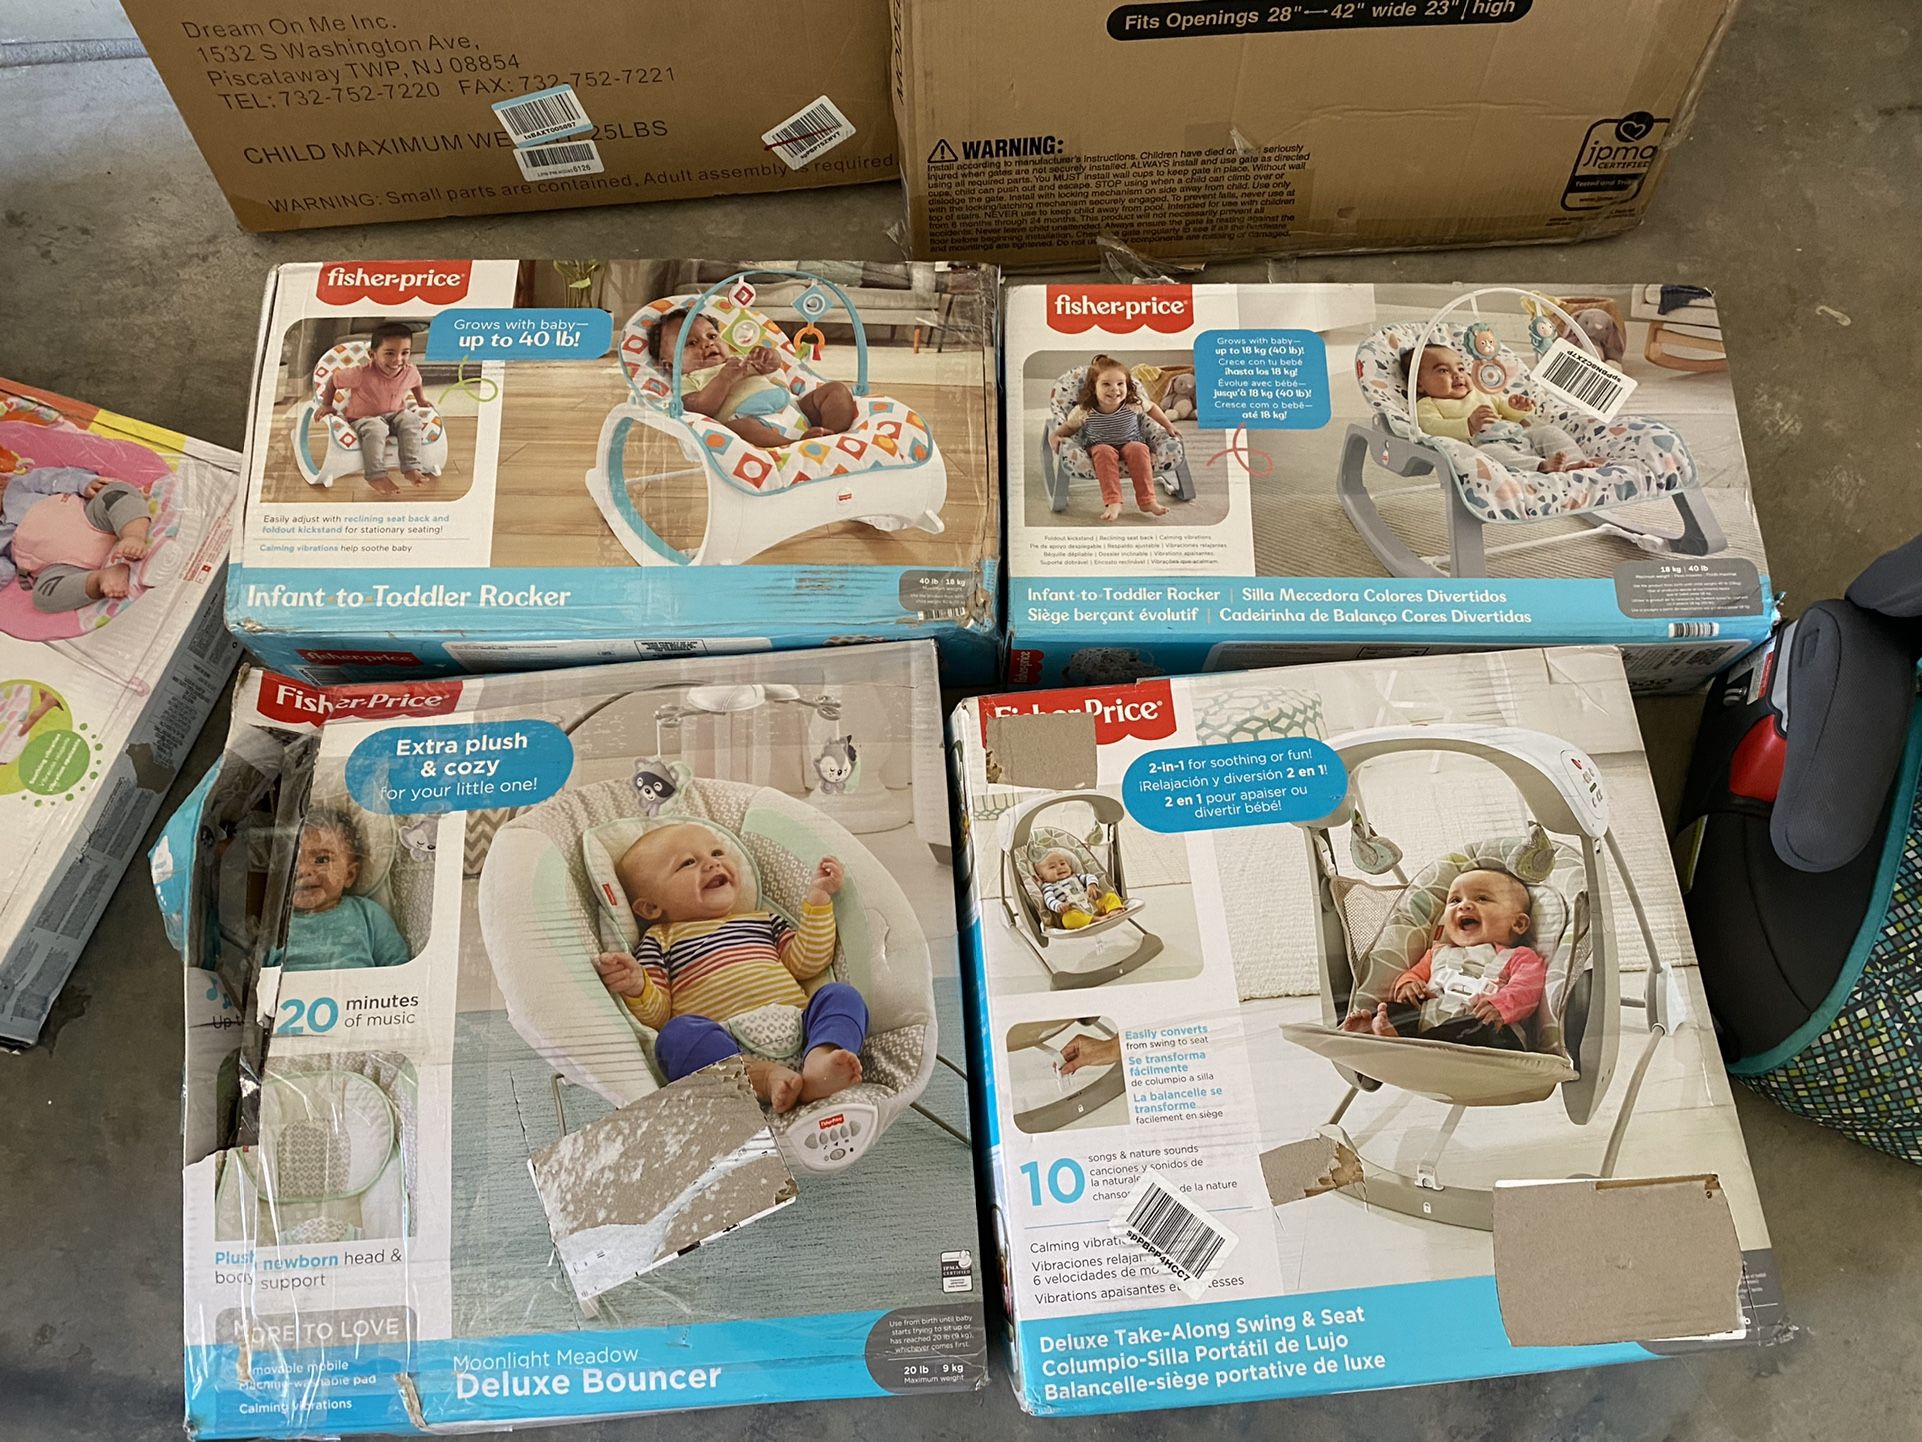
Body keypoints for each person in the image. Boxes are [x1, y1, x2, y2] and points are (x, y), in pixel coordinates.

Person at [593, 821, 865, 1112]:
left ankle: (820, 1062)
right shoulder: (660, 940)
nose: (712, 864)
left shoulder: (762, 921)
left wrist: (819, 899)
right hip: (724, 1045)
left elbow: (807, 962)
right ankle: (761, 1079)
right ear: (650, 908)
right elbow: (657, 1015)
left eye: (717, 853)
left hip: (798, 1028)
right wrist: (637, 985)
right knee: (675, 1036)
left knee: (841, 996)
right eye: (688, 863)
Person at [1341, 867, 1546, 1050]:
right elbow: (1412, 975)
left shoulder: (1520, 956)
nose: (1464, 906)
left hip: (1486, 1027)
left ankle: (1406, 1045)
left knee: (1478, 1028)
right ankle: (1372, 1033)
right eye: (1455, 900)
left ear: (1518, 924)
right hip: (1430, 1018)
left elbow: (1527, 987)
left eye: (1482, 899)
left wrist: (1501, 1005)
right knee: (1393, 1010)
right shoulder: (1437, 952)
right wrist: (1409, 986)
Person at [649, 309, 858, 448]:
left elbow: (773, 366)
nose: (707, 344)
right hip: (752, 422)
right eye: (691, 343)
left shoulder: (740, 359)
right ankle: (795, 445)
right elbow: (699, 408)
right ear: (670, 365)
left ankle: (832, 436)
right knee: (737, 430)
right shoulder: (687, 379)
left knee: (835, 390)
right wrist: (724, 380)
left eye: (712, 336)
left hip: (795, 410)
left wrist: (769, 357)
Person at [1405, 344, 1596, 474]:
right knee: (1489, 453)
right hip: (1485, 446)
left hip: (1521, 437)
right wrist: (1468, 425)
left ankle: (1574, 463)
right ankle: (1541, 466)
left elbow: (1504, 410)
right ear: (1419, 384)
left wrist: (1517, 408)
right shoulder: (1428, 404)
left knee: (1548, 432)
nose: (1457, 375)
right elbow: (1431, 427)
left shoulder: (1480, 394)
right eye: (1443, 371)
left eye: (1461, 369)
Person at [0, 451, 153, 612]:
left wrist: (83, 483)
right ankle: (98, 580)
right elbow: (5, 571)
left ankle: (133, 534)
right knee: (43, 596)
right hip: (62, 565)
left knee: (115, 492)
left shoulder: (19, 487)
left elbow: (57, 477)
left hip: (90, 520)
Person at [275, 808, 411, 972]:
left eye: (321, 860)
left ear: (350, 875)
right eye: (292, 862)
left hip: (360, 989)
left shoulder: (367, 914)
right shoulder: (274, 925)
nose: (304, 871)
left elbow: (398, 966)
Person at [1049, 354, 1174, 521]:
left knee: (1139, 448)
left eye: (1120, 384)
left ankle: (1147, 500)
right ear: (1094, 387)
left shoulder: (1133, 403)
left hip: (1131, 443)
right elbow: (1068, 427)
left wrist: (1168, 426)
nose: (1115, 389)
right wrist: (1055, 436)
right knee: (1104, 451)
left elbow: (1152, 408)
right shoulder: (1085, 410)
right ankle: (1113, 501)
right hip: (1099, 446)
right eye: (1106, 384)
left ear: (1127, 385)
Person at [318, 322, 432, 494]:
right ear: (372, 355)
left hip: (395, 415)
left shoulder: (410, 371)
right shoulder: (360, 373)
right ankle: (375, 475)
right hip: (363, 418)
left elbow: (417, 382)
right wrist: (327, 404)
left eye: (405, 353)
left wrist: (421, 400)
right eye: (390, 353)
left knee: (411, 419)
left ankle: (411, 467)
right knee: (377, 427)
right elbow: (333, 380)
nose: (398, 360)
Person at [1033, 848, 1124, 930]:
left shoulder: (1076, 877)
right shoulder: (1049, 887)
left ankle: (1114, 911)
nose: (1060, 867)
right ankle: (1096, 919)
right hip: (1075, 910)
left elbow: (1089, 877)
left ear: (1070, 867)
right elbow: (1049, 900)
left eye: (1062, 863)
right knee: (1068, 920)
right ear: (1042, 877)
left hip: (1092, 903)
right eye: (1052, 867)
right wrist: (1058, 905)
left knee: (1110, 896)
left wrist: (1091, 885)